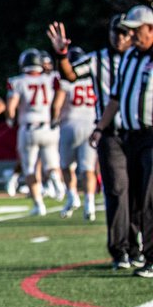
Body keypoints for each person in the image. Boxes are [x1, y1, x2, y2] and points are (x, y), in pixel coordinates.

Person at [48, 15, 138, 268]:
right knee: (117, 191)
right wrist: (62, 53)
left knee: (142, 193)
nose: (120, 38)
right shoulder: (99, 60)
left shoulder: (144, 60)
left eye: (125, 33)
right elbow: (70, 75)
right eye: (116, 33)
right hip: (110, 133)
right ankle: (120, 250)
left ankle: (138, 245)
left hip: (141, 133)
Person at [90, 5, 153, 277]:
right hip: (130, 136)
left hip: (152, 135)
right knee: (134, 198)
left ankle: (151, 257)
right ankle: (137, 251)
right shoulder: (129, 58)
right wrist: (100, 128)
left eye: (137, 30)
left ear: (150, 29)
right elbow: (115, 99)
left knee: (150, 197)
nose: (131, 34)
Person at [6, 49, 61, 216]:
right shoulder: (52, 78)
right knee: (52, 164)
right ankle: (56, 181)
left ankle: (39, 204)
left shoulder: (18, 82)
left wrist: (10, 120)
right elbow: (59, 98)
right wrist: (55, 116)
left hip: (29, 127)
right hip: (49, 126)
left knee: (29, 168)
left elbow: (11, 107)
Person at [53, 47, 99, 220]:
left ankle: (72, 196)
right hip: (91, 124)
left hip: (70, 124)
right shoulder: (94, 80)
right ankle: (90, 204)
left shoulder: (67, 80)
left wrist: (53, 119)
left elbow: (57, 104)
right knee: (88, 169)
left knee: (66, 166)